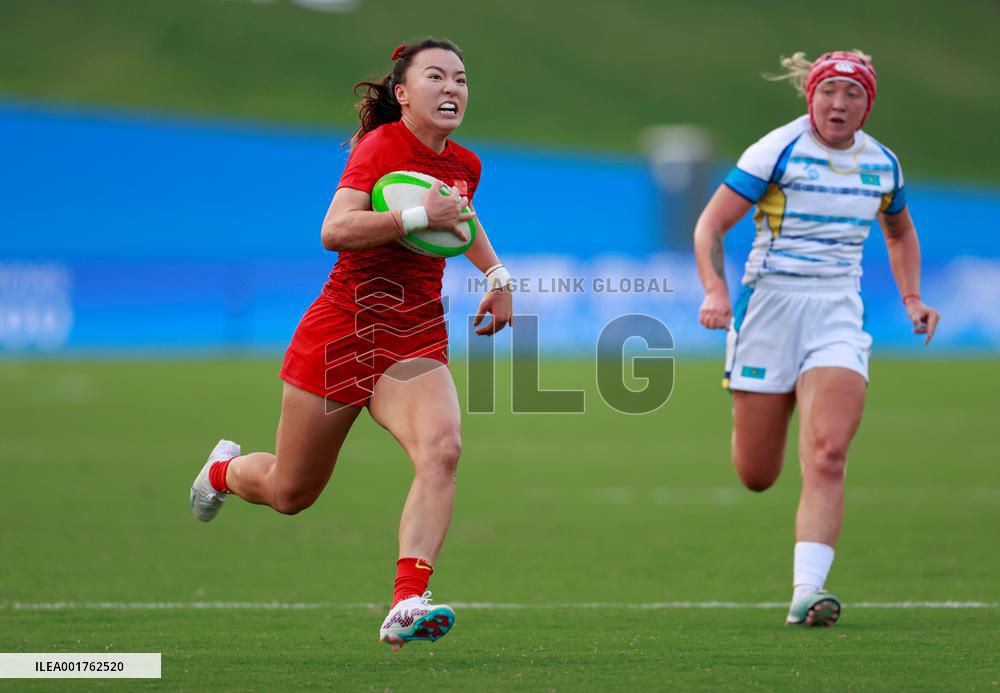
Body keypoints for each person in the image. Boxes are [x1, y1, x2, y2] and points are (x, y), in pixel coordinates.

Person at [189, 37, 514, 649]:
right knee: (290, 492)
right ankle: (223, 471)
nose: (452, 88)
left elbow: (461, 218)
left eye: (461, 79)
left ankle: (407, 600)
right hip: (344, 332)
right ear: (402, 93)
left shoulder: (466, 164)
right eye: (437, 77)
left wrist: (497, 276)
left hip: (414, 335)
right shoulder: (381, 146)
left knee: (442, 451)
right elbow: (334, 230)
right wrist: (416, 217)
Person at [693, 50, 940, 626]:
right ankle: (761, 404)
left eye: (853, 95)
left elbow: (900, 232)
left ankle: (807, 592)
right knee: (757, 475)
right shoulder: (776, 150)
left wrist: (912, 298)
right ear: (812, 96)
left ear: (867, 105)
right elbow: (711, 225)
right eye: (829, 91)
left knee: (828, 454)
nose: (839, 104)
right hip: (768, 310)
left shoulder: (882, 164)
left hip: (837, 312)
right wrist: (714, 291)